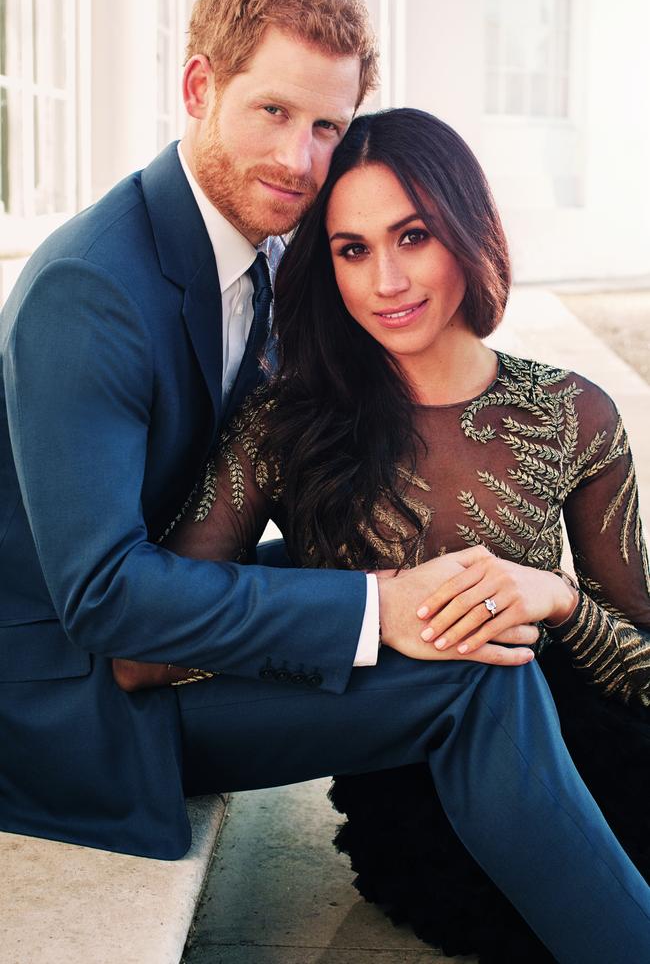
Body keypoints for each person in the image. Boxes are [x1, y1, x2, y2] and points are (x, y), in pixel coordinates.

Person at [0, 0, 533, 863]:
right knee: (475, 676)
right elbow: (101, 599)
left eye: (327, 126)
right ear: (200, 87)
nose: (300, 160)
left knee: (463, 586)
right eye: (274, 113)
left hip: (169, 614)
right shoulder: (90, 289)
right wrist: (369, 606)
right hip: (68, 702)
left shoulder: (266, 249)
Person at [157, 107, 650, 963]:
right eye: (353, 249)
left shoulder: (573, 414)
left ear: (467, 232)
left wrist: (561, 600)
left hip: (597, 761)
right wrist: (356, 615)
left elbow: (644, 663)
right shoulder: (287, 425)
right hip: (423, 806)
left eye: (413, 235)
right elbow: (168, 624)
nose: (386, 280)